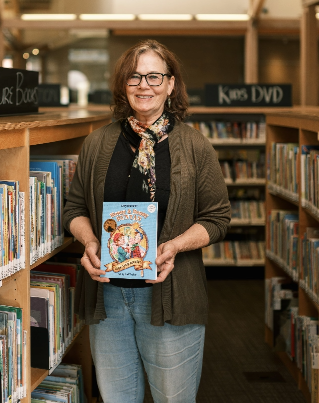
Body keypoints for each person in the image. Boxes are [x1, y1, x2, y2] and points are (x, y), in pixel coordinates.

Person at [63, 39, 230, 403]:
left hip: (170, 295)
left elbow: (217, 218)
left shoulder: (195, 146)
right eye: (135, 77)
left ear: (171, 84)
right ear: (124, 85)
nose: (144, 85)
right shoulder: (97, 144)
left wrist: (174, 246)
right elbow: (74, 208)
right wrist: (91, 243)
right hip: (107, 297)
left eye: (154, 76)